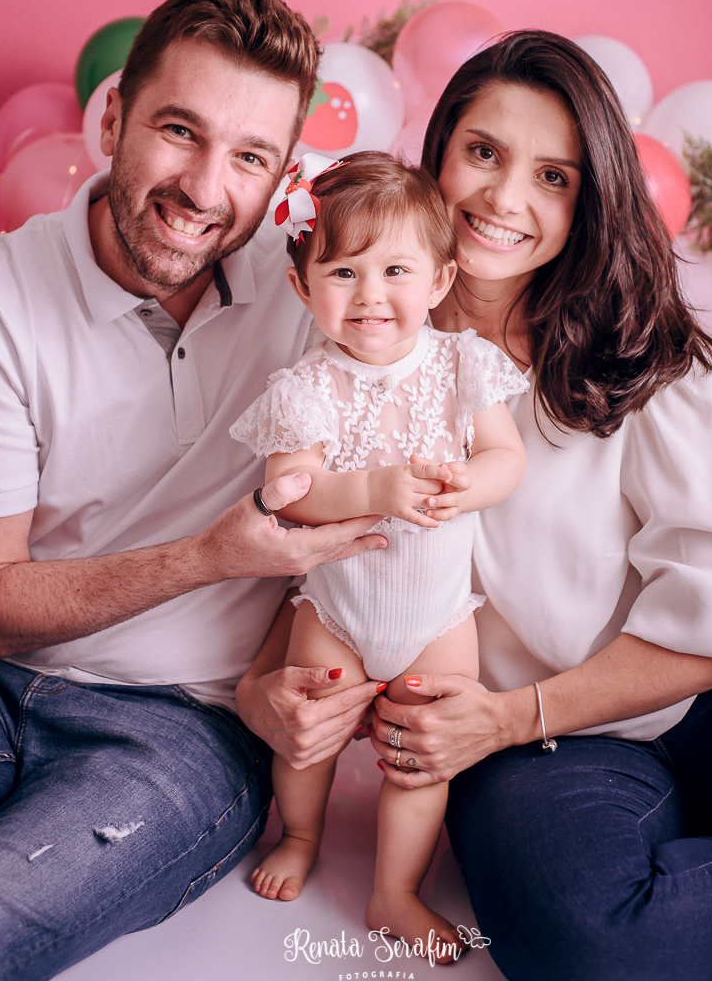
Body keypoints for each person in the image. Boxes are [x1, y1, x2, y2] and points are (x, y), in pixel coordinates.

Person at [354, 31, 712, 981]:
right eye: (482, 153)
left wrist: (510, 715)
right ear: (435, 157)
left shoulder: (642, 352)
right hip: (535, 747)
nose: (506, 200)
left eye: (553, 176)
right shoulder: (361, 343)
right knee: (588, 945)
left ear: (587, 202)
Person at [0, 0, 388, 981]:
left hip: (180, 734)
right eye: (179, 131)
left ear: (284, 171)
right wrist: (210, 556)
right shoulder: (1, 298)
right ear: (115, 114)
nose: (206, 189)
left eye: (250, 156)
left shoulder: (321, 291)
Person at [229, 150, 527, 958]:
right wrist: (373, 490)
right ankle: (298, 834)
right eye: (342, 272)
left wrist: (472, 483)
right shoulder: (305, 387)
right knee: (313, 732)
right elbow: (292, 491)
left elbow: (507, 457)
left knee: (419, 757)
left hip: (436, 617)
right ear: (303, 288)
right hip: (337, 610)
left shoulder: (461, 364)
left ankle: (394, 894)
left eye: (395, 270)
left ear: (437, 280)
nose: (369, 295)